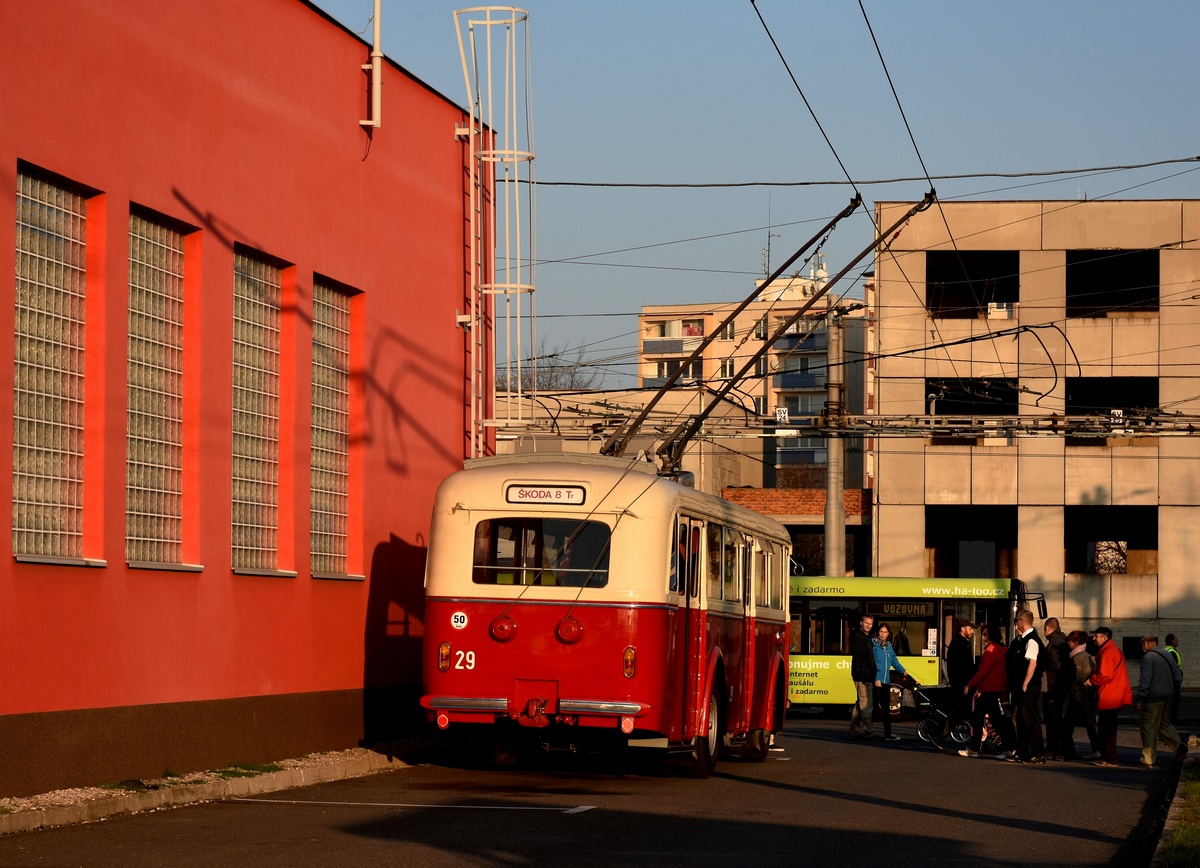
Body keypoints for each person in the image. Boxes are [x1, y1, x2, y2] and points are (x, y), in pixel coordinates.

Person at [958, 622, 1016, 759]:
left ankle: (975, 748)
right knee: (996, 720)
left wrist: (970, 684)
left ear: (990, 636)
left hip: (989, 689)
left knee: (977, 717)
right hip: (996, 688)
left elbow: (983, 671)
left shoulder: (991, 650)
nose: (982, 638)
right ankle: (1009, 747)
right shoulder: (1002, 649)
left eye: (984, 635)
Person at [1135, 635, 1187, 768]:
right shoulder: (1168, 655)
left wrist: (1140, 697)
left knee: (1148, 727)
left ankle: (1148, 759)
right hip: (1168, 696)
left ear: (1146, 644)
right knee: (1164, 724)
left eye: (1142, 645)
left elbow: (1145, 680)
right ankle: (1179, 746)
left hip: (1153, 698)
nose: (1142, 647)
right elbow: (1178, 676)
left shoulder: (1148, 658)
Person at [1006, 609, 1046, 763]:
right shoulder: (1019, 640)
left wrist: (1025, 683)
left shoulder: (1032, 640)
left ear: (1022, 621)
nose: (1016, 626)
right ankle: (1022, 751)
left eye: (1017, 622)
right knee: (1021, 720)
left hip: (1028, 687)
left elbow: (1033, 663)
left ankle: (1038, 753)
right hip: (1019, 686)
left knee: (1031, 719)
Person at [1090, 626, 1132, 767]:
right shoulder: (1114, 650)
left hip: (1110, 695)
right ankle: (1108, 756)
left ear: (1104, 637)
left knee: (1106, 729)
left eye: (1096, 636)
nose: (1094, 638)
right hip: (1116, 693)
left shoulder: (1107, 652)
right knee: (1109, 728)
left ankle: (1109, 758)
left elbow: (1105, 675)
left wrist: (1091, 680)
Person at [1064, 630, 1100, 761]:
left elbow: (1079, 677)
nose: (1068, 643)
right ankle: (1096, 749)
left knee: (1068, 725)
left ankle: (1068, 752)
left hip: (1078, 696)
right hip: (1086, 695)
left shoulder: (1077, 657)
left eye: (1069, 641)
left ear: (1075, 641)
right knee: (1088, 724)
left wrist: (1071, 689)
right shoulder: (1086, 655)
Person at [873, 622, 910, 742]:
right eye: (881, 631)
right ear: (878, 632)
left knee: (885, 710)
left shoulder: (888, 646)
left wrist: (902, 670)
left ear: (888, 634)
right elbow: (871, 663)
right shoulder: (873, 645)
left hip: (886, 681)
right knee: (871, 708)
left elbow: (894, 660)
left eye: (885, 632)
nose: (883, 634)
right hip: (877, 681)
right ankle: (867, 732)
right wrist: (875, 678)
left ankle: (888, 733)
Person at [1042, 617, 1072, 761]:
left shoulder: (1054, 644)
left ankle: (1054, 749)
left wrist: (1043, 665)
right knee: (1056, 719)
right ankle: (1058, 749)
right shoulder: (1061, 641)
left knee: (1052, 720)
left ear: (1048, 628)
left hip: (1053, 687)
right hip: (1058, 687)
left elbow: (1055, 665)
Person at [849, 613, 876, 739]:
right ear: (861, 622)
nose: (868, 626)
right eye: (866, 623)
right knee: (866, 703)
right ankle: (869, 731)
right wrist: (865, 677)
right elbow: (860, 659)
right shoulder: (859, 637)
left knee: (860, 703)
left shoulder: (866, 637)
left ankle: (853, 731)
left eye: (870, 624)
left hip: (863, 675)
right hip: (863, 676)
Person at [947, 619, 977, 721]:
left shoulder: (962, 643)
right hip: (961, 682)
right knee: (961, 709)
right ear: (962, 629)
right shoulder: (958, 644)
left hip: (962, 681)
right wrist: (966, 683)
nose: (972, 631)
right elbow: (960, 666)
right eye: (970, 629)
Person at [1165, 633, 1183, 725]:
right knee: (1175, 699)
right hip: (1173, 680)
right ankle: (1173, 719)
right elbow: (1174, 668)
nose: (1178, 640)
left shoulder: (1166, 650)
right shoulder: (1172, 652)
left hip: (1169, 680)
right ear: (1172, 641)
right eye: (1176, 639)